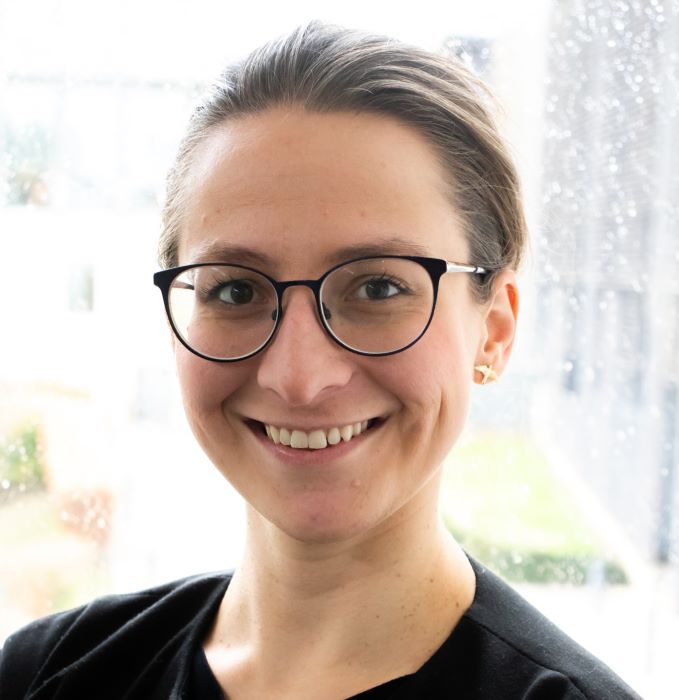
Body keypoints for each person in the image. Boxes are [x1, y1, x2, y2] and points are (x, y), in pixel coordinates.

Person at [0, 22, 642, 700]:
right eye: (236, 290)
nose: (298, 378)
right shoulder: (45, 676)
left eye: (378, 288)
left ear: (496, 330)